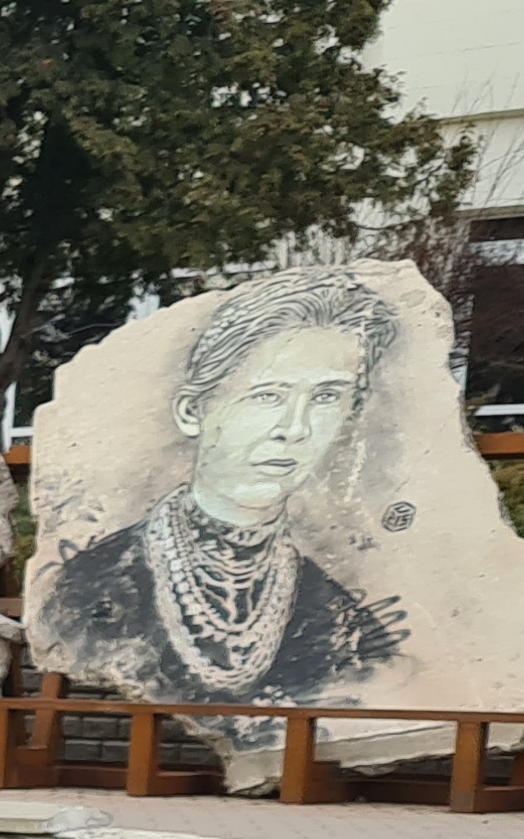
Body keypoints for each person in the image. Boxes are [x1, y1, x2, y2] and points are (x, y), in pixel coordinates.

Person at [43, 268, 408, 700]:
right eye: (267, 395)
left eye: (326, 397)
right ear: (192, 410)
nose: (295, 429)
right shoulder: (93, 583)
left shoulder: (341, 617)